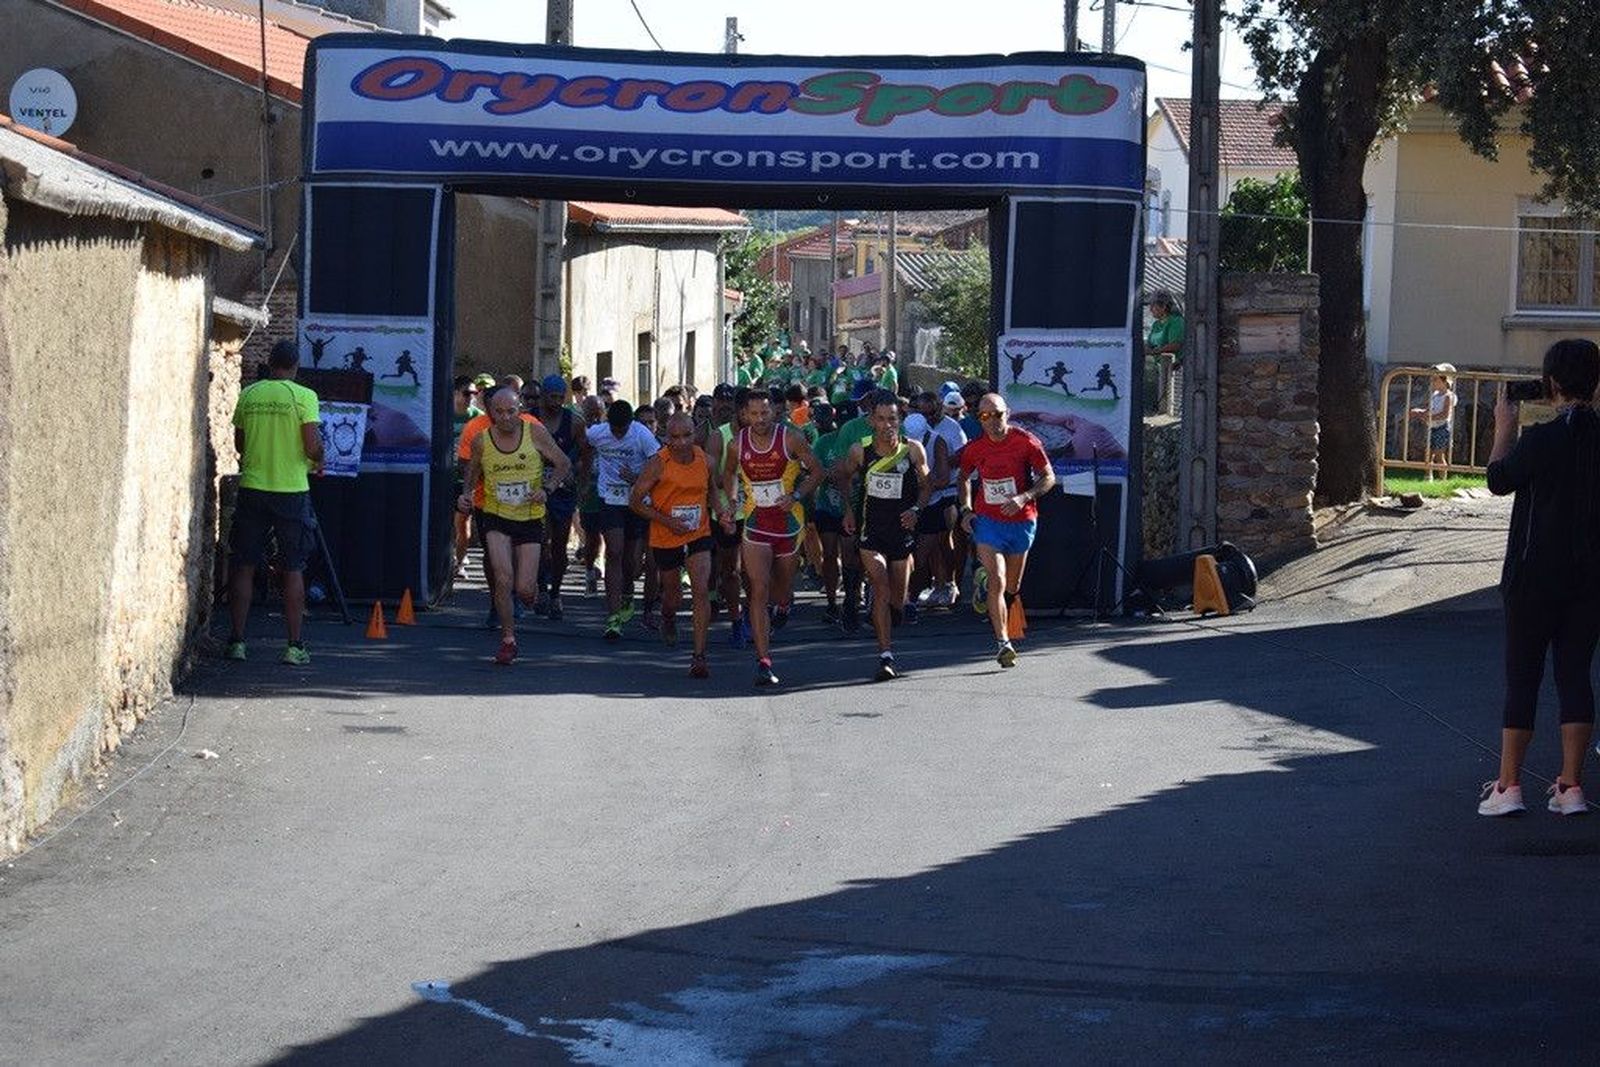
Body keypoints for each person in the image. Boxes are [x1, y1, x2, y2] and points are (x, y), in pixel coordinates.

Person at [1478, 339, 1600, 817]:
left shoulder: (1541, 440)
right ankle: (1571, 786)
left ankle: (1508, 786)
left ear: (1550, 384)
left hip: (1532, 578)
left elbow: (1497, 479)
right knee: (1575, 675)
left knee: (1523, 677)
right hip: (1590, 579)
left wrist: (1503, 428)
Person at [226, 340, 325, 665]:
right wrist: (320, 458)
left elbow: (239, 442)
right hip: (291, 490)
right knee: (293, 566)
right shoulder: (304, 397)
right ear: (295, 366)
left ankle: (237, 641)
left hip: (253, 486)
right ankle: (294, 646)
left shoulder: (249, 394)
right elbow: (311, 447)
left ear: (269, 363)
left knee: (244, 563)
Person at [458, 385, 572, 665]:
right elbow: (471, 474)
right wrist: (466, 496)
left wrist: (547, 488)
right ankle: (508, 639)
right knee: (502, 578)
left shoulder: (534, 432)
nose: (506, 417)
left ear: (519, 408)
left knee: (524, 589)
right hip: (496, 516)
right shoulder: (481, 440)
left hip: (530, 518)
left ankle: (529, 597)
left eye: (511, 411)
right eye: (499, 412)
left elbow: (562, 462)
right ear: (490, 412)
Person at [719, 389, 825, 686]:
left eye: (765, 413)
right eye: (753, 414)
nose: (760, 419)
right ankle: (764, 661)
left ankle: (783, 605)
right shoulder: (737, 444)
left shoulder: (790, 438)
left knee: (781, 589)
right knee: (758, 588)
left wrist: (796, 495)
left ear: (774, 412)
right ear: (744, 416)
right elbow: (728, 474)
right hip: (756, 525)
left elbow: (817, 471)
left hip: (789, 525)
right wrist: (730, 501)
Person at [957, 394, 1056, 668]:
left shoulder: (1025, 441)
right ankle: (1003, 643)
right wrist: (966, 510)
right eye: (985, 416)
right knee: (998, 581)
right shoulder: (975, 447)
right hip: (988, 522)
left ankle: (985, 582)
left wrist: (1024, 497)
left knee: (1012, 588)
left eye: (997, 414)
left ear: (1007, 413)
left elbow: (1049, 477)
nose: (992, 421)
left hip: (1022, 521)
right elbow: (963, 477)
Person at [840, 394, 932, 681]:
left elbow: (927, 486)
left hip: (901, 532)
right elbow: (843, 477)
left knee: (897, 600)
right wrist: (848, 510)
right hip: (872, 532)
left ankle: (894, 611)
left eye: (892, 418)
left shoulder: (913, 450)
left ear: (900, 420)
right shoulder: (860, 451)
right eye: (880, 419)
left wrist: (916, 509)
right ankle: (885, 655)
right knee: (880, 587)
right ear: (871, 421)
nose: (886, 425)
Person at [630, 413, 717, 677]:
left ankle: (699, 656)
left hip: (698, 532)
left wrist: (723, 509)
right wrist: (667, 521)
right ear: (666, 437)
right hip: (666, 536)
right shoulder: (658, 463)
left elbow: (712, 489)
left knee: (701, 590)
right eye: (674, 437)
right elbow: (635, 501)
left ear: (695, 433)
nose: (681, 442)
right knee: (673, 597)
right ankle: (668, 616)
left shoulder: (705, 459)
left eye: (687, 435)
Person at [580, 399, 658, 639]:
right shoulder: (599, 432)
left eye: (622, 429)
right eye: (614, 429)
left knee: (633, 565)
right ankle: (612, 618)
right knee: (614, 551)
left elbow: (658, 464)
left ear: (630, 424)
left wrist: (637, 477)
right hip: (610, 498)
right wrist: (585, 476)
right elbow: (584, 445)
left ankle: (627, 592)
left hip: (636, 499)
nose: (617, 433)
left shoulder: (641, 435)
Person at [536, 374, 583, 619]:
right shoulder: (531, 419)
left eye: (559, 397)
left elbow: (585, 452)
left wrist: (575, 473)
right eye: (551, 397)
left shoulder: (573, 422)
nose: (555, 402)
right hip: (537, 488)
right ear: (543, 396)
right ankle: (541, 589)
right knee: (539, 542)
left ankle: (556, 592)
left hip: (563, 489)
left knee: (560, 545)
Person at [450, 376, 478, 580]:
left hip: (467, 479)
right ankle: (444, 561)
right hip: (445, 477)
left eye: (474, 394)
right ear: (455, 393)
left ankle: (459, 563)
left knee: (462, 523)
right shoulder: (442, 415)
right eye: (467, 393)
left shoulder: (478, 418)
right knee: (443, 523)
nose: (471, 398)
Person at [1409, 363, 1457, 482]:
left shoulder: (1448, 396)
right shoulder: (1435, 395)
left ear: (1445, 381)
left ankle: (1442, 479)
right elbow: (1431, 410)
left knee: (1439, 455)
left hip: (1442, 428)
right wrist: (1420, 412)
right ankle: (1428, 477)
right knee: (1428, 453)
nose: (1432, 381)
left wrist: (1428, 417)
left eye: (1435, 379)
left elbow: (1445, 414)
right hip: (1433, 427)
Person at [1146, 290, 1184, 414]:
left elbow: (1176, 345)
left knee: (1172, 405)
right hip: (1160, 369)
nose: (1150, 309)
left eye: (1153, 306)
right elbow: (1150, 343)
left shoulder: (1176, 322)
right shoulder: (1156, 324)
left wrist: (1154, 351)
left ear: (1163, 307)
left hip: (1177, 369)